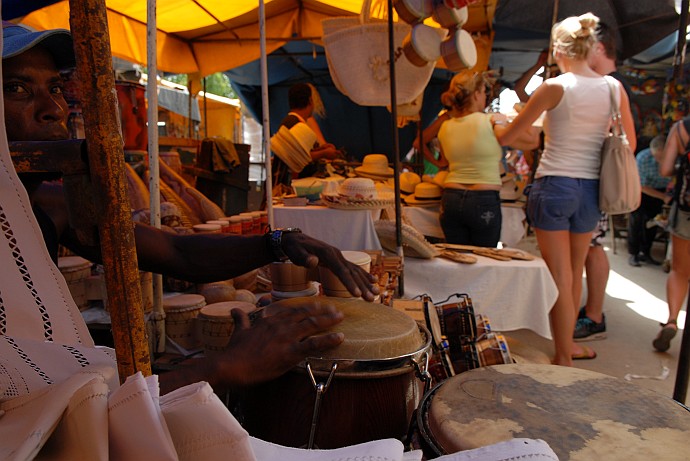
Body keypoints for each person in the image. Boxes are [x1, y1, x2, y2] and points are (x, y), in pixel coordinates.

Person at [2, 22, 379, 394]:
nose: (53, 108)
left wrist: (279, 242)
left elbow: (177, 251)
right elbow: (39, 414)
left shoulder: (53, 206)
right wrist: (221, 367)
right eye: (17, 88)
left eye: (54, 88)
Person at [496, 13, 637, 365]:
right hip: (590, 191)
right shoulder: (612, 87)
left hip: (555, 185)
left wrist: (516, 123)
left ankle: (563, 357)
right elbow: (629, 143)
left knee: (558, 275)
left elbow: (508, 137)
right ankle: (569, 346)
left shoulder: (554, 87)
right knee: (575, 272)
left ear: (558, 49)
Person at [573, 21, 635, 342]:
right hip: (592, 178)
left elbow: (628, 143)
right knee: (589, 248)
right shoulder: (608, 84)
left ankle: (595, 315)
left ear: (598, 48)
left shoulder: (612, 85)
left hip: (598, 180)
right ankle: (591, 311)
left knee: (593, 248)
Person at [437, 71, 539, 247]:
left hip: (450, 197)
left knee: (455, 259)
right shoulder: (491, 121)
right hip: (482, 198)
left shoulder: (445, 126)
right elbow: (531, 142)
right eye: (485, 93)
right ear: (477, 94)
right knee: (484, 259)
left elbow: (445, 161)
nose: (485, 97)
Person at [654, 118, 690, 352]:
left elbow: (666, 169)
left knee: (680, 270)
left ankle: (672, 319)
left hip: (686, 209)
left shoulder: (682, 127)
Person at [271, 83, 340, 187]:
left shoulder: (291, 121)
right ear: (310, 100)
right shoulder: (295, 124)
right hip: (286, 185)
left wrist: (321, 149)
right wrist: (324, 153)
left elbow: (300, 151)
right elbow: (297, 156)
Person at [627, 135, 671, 267]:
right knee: (637, 220)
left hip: (662, 189)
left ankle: (646, 252)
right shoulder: (643, 158)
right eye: (658, 157)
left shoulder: (674, 157)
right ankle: (633, 253)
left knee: (654, 221)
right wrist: (663, 197)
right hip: (642, 190)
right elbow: (641, 186)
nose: (660, 160)